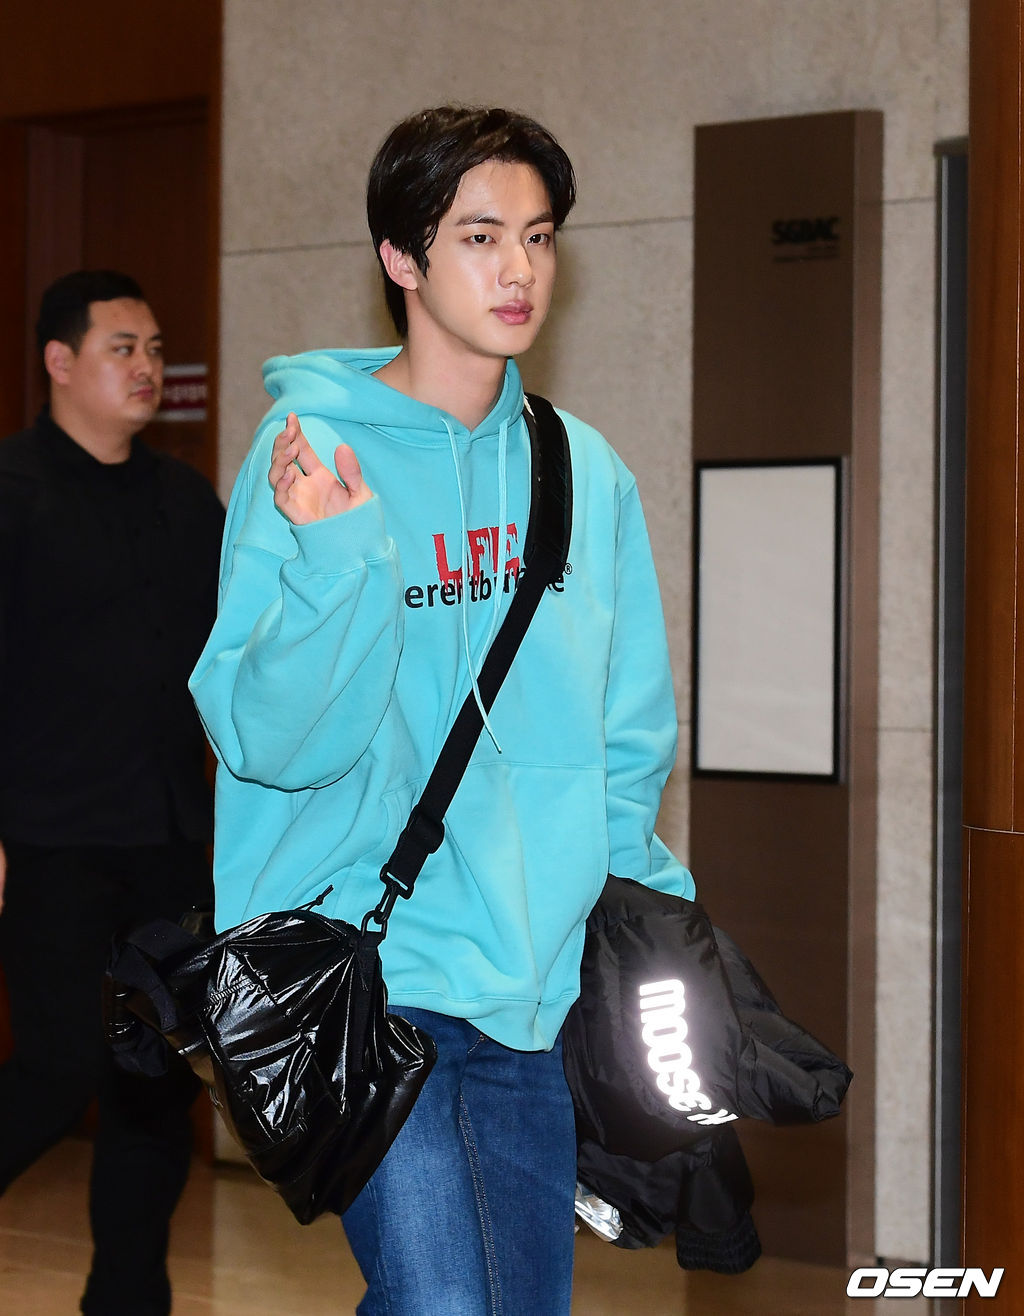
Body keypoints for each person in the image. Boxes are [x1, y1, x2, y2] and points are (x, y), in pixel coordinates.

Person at [189, 105, 694, 1315]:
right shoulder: (311, 456)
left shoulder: (581, 469)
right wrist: (339, 557)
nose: (519, 268)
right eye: (480, 236)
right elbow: (266, 740)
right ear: (400, 257)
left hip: (534, 984)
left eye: (538, 235)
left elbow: (627, 734)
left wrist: (653, 930)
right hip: (369, 970)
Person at [0, 269, 225, 1315]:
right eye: (123, 347)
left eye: (156, 348)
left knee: (156, 1084)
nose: (148, 367)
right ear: (60, 361)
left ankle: (127, 1302)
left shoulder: (186, 500)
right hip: (48, 837)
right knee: (55, 1068)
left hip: (170, 839)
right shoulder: (10, 493)